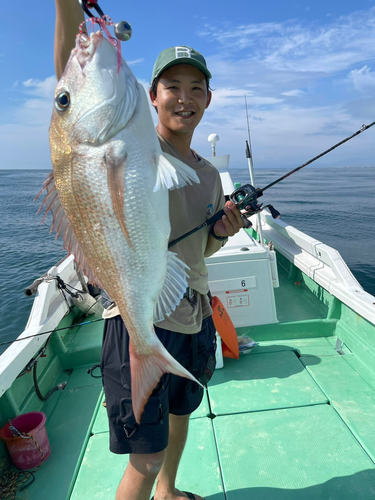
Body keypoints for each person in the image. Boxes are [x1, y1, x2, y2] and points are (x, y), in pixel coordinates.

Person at [54, 2, 244, 500]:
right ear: (152, 96)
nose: (185, 98)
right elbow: (67, 84)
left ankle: (169, 493)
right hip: (137, 320)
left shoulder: (206, 173)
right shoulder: (132, 143)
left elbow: (198, 248)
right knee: (146, 455)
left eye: (195, 88)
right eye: (173, 88)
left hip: (193, 318)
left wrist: (221, 232)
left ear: (208, 99)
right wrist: (65, 7)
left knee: (181, 418)